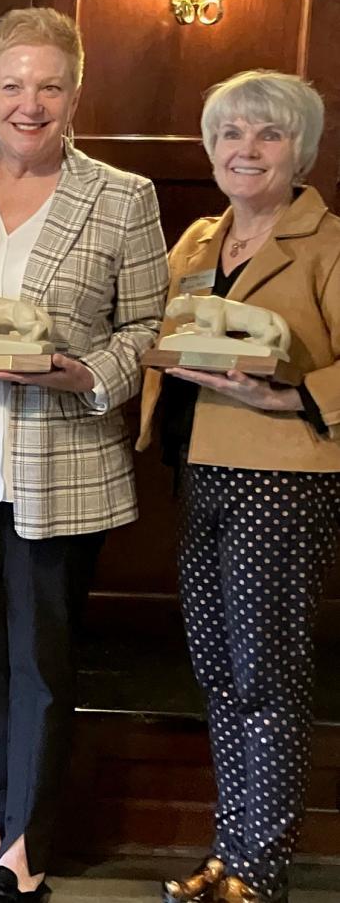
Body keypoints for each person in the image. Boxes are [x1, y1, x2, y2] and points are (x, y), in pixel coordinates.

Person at [0, 8, 168, 903]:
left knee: (40, 660)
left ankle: (28, 845)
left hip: (59, 461)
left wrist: (79, 373)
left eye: (49, 84)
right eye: (13, 84)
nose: (30, 102)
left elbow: (147, 330)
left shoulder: (123, 195)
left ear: (75, 94)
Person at [138, 71, 340, 903]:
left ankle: (262, 869)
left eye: (268, 135)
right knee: (220, 672)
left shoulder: (326, 244)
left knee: (268, 673)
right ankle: (230, 854)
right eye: (230, 134)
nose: (245, 150)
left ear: (302, 150)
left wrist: (292, 393)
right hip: (201, 473)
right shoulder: (196, 242)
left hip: (282, 477)